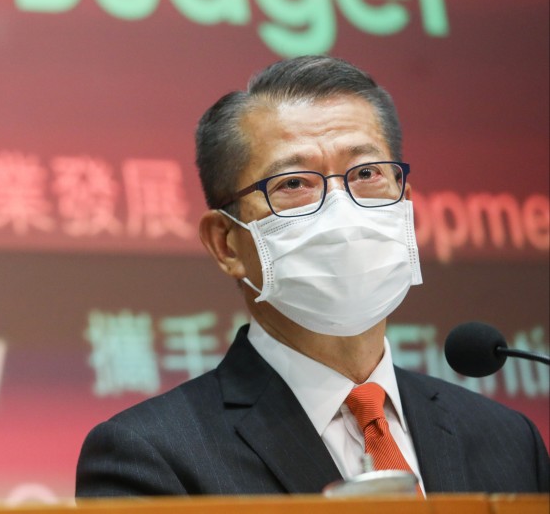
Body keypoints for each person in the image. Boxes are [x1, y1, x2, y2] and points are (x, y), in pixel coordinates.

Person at [76, 55, 550, 496]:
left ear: (404, 201)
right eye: (294, 184)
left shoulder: (508, 440)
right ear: (226, 243)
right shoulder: (151, 455)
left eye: (367, 173)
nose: (343, 212)